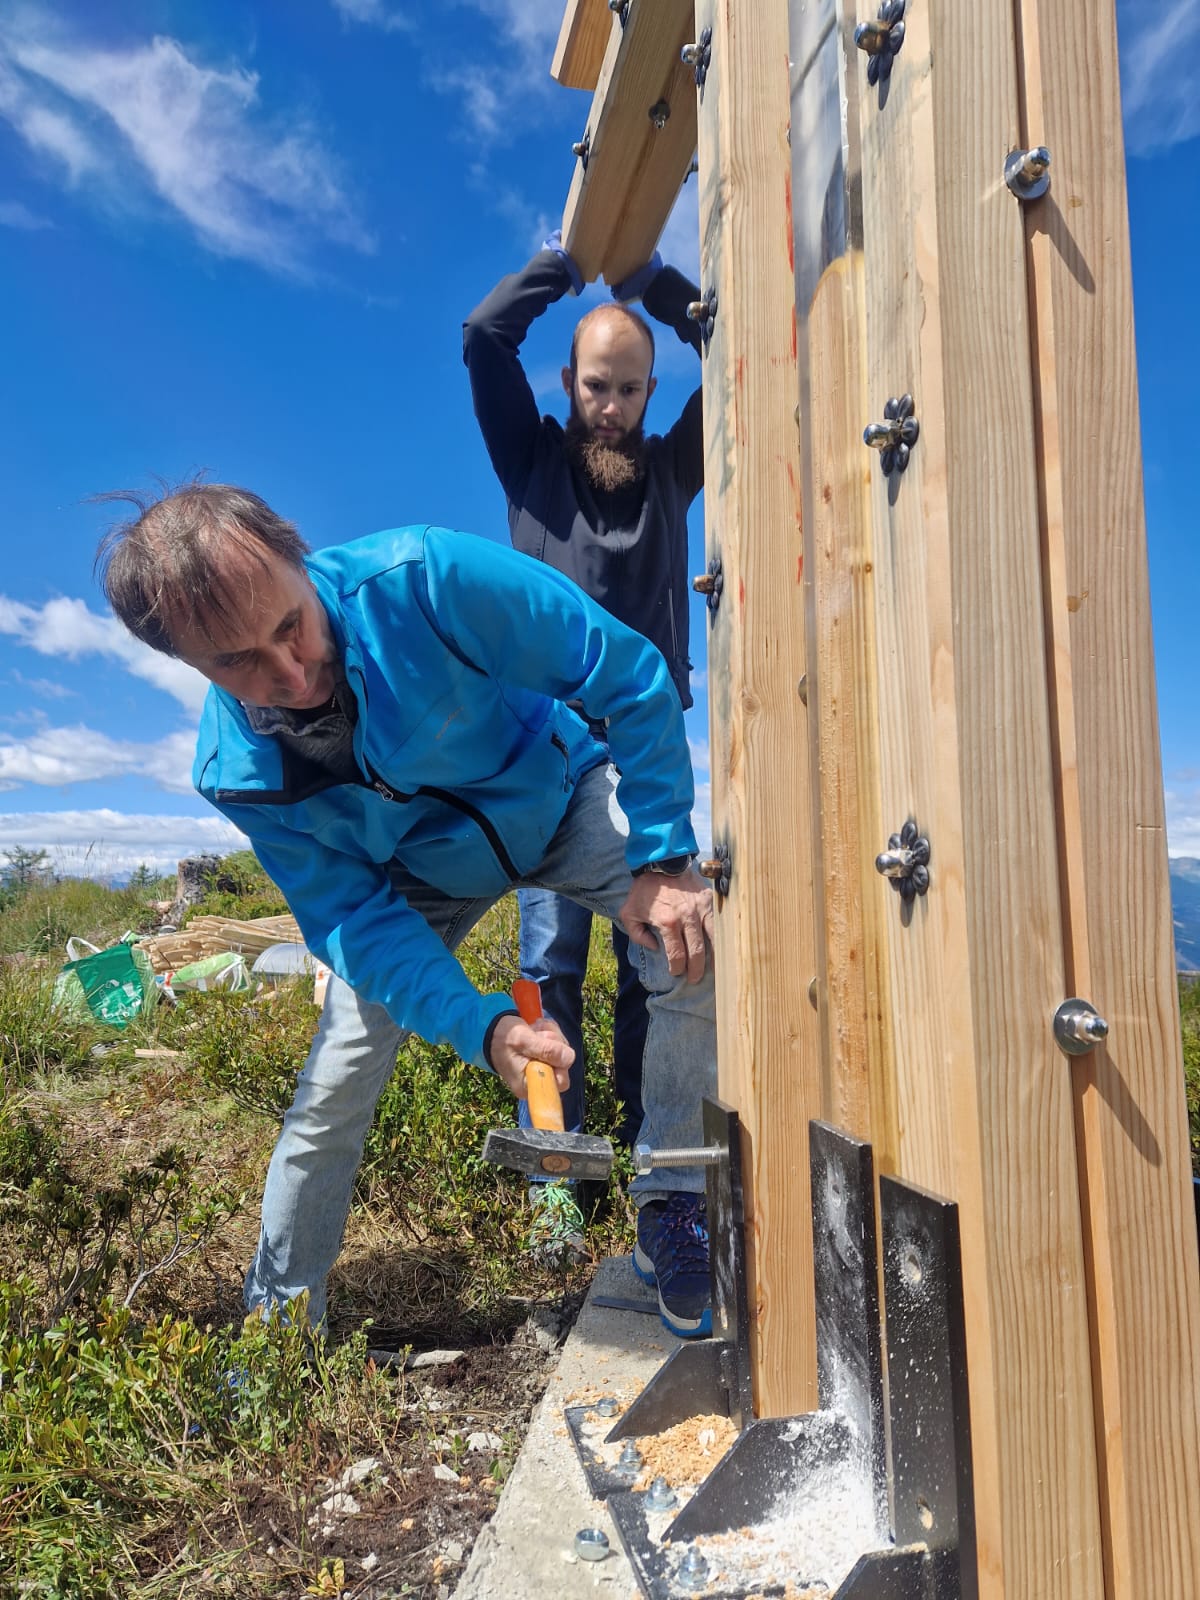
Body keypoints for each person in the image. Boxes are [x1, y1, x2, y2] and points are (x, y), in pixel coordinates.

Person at [95, 484, 717, 1338]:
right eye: (238, 663)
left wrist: (663, 854)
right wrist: (483, 1027)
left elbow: (627, 672)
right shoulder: (237, 771)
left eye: (290, 625)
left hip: (563, 793)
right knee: (334, 1089)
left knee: (692, 939)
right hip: (417, 875)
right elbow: (351, 916)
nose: (291, 675)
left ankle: (675, 1198)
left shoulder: (428, 579)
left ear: (300, 559)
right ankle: (280, 1334)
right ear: (187, 663)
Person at [463, 233, 702, 1171]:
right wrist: (571, 259)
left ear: (650, 394)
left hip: (645, 757)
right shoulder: (531, 463)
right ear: (569, 382)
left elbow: (727, 349)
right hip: (547, 756)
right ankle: (555, 1171)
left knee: (660, 958)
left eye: (630, 388)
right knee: (547, 964)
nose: (610, 408)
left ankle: (654, 1163)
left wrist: (650, 280)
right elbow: (485, 336)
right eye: (596, 386)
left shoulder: (671, 473)